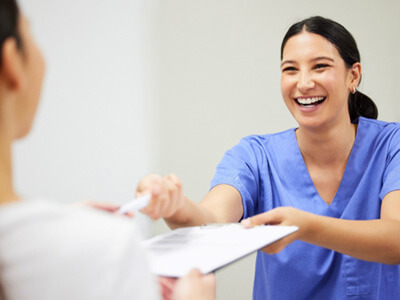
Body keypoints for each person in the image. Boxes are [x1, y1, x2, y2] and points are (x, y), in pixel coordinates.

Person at [136, 16, 400, 299]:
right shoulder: (254, 156)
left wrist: (307, 226)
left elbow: (395, 238)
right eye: (290, 69)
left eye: (320, 66)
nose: (304, 82)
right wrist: (175, 206)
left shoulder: (391, 145)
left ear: (353, 75)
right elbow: (211, 223)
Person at [0, 0, 215, 299]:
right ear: (11, 61)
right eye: (31, 35)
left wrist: (65, 219)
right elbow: (219, 220)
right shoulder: (104, 248)